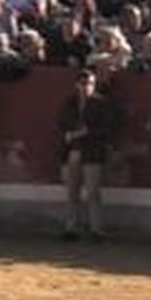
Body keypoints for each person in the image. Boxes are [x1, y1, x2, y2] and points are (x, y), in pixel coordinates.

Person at [58, 69, 112, 241]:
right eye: (84, 83)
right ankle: (71, 228)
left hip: (92, 151)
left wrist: (84, 133)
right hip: (73, 151)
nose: (87, 87)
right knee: (72, 192)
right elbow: (62, 124)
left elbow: (106, 129)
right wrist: (70, 134)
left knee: (93, 192)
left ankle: (97, 230)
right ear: (77, 85)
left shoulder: (101, 103)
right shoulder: (69, 103)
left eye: (90, 84)